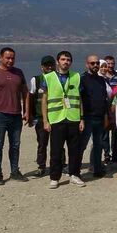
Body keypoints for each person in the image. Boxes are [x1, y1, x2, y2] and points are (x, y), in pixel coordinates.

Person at [0, 47, 30, 186]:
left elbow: (25, 93)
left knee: (15, 145)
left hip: (16, 115)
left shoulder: (18, 73)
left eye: (12, 58)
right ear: (0, 58)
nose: (10, 60)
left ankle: (15, 171)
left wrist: (27, 111)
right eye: (7, 58)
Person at [41, 51, 85, 189]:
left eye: (68, 60)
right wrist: (45, 121)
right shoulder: (48, 77)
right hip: (56, 119)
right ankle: (54, 177)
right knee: (56, 151)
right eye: (63, 59)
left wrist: (82, 118)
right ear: (57, 61)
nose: (66, 62)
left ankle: (74, 175)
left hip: (73, 118)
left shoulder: (76, 76)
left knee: (75, 150)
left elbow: (80, 99)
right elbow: (44, 100)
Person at [79, 54, 112, 178]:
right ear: (87, 64)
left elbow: (104, 100)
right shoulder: (82, 79)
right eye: (92, 63)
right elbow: (79, 100)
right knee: (82, 145)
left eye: (97, 63)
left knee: (98, 145)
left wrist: (106, 116)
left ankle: (97, 168)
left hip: (99, 118)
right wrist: (81, 118)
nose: (95, 65)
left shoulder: (101, 80)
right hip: (87, 118)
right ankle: (75, 169)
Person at [29, 55, 55, 177]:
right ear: (42, 67)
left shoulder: (58, 79)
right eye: (46, 65)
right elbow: (30, 98)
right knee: (42, 143)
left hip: (56, 116)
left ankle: (60, 164)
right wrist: (29, 115)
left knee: (58, 142)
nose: (49, 67)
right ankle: (41, 166)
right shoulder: (36, 80)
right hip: (40, 117)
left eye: (51, 65)